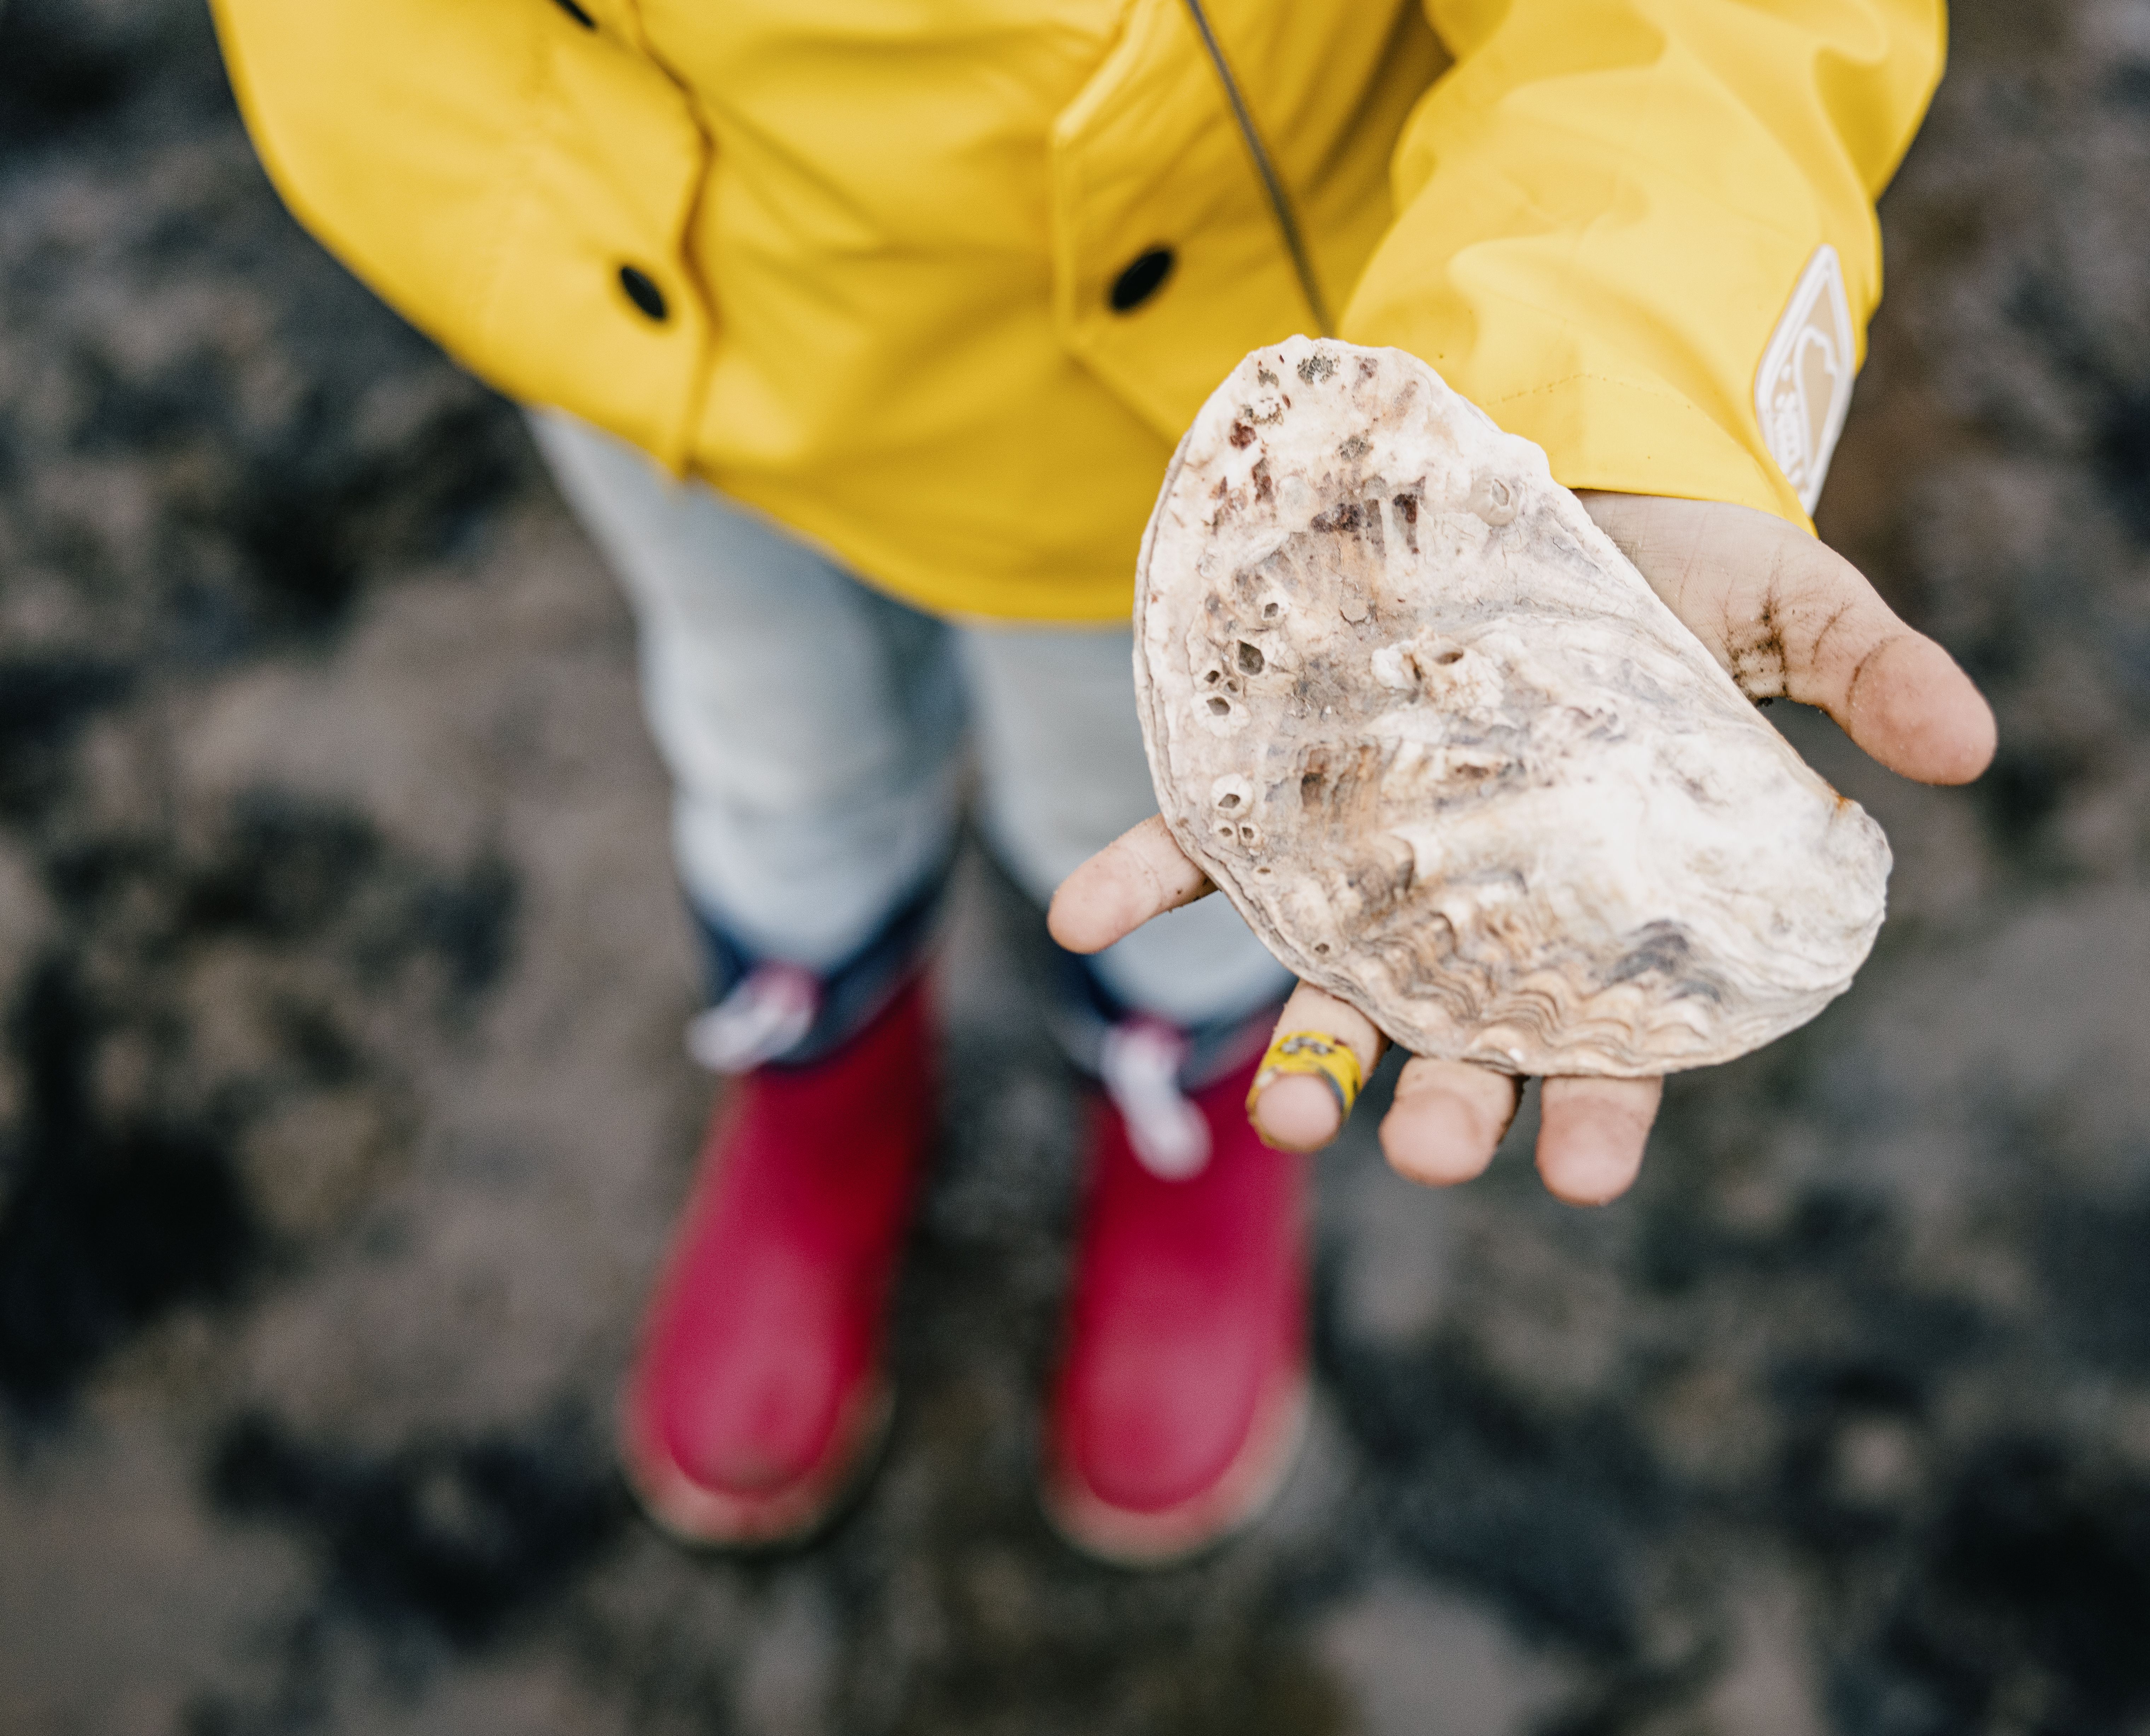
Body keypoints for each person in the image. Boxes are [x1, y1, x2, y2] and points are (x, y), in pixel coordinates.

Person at [206, 0, 1996, 1561]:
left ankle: (1185, 1116)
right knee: (770, 745)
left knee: (1180, 822)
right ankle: (821, 1083)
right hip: (603, 279)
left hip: (1177, 402)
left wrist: (1601, 392)